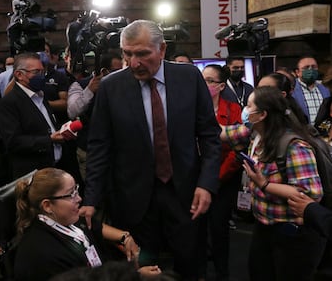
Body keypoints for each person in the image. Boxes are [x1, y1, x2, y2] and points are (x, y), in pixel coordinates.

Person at [80, 20, 221, 280]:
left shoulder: (189, 78)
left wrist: (207, 183)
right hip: (132, 199)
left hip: (186, 194)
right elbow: (99, 147)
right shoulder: (111, 87)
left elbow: (210, 136)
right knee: (140, 270)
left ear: (162, 49)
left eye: (142, 54)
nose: (134, 62)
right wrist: (90, 200)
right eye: (127, 54)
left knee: (191, 266)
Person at [223, 86, 326, 281]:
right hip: (264, 226)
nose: (245, 110)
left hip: (291, 234)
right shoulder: (256, 135)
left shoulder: (294, 146)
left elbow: (310, 195)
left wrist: (264, 184)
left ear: (262, 114)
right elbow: (224, 133)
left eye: (249, 106)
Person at [14, 168, 162, 281]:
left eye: (76, 190)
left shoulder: (66, 219)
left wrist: (125, 238)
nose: (79, 199)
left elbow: (95, 227)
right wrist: (136, 277)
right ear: (47, 206)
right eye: (71, 194)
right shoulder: (43, 256)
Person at [0, 52, 74, 180]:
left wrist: (64, 130)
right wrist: (49, 139)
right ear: (19, 75)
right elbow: (13, 142)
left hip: (56, 167)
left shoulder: (40, 96)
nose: (41, 76)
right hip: (34, 175)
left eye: (42, 72)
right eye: (36, 72)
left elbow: (47, 125)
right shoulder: (9, 103)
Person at [197, 65, 243, 281]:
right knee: (197, 228)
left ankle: (222, 273)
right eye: (202, 80)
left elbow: (237, 150)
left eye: (209, 81)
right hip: (196, 179)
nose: (204, 84)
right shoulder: (193, 107)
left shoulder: (233, 109)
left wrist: (214, 179)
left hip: (224, 180)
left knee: (219, 229)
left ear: (221, 86)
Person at [67, 51, 123, 181]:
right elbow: (72, 111)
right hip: (90, 151)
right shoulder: (79, 85)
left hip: (118, 149)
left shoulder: (123, 84)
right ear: (104, 71)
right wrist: (90, 91)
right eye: (116, 71)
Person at [292, 56, 329, 125]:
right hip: (302, 133)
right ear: (297, 72)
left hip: (324, 132)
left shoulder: (326, 89)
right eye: (306, 67)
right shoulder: (292, 90)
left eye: (314, 67)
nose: (310, 70)